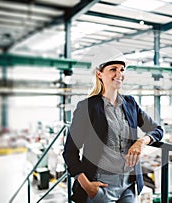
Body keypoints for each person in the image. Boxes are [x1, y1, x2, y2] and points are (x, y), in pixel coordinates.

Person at [63, 46, 163, 203]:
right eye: (113, 69)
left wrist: (142, 141)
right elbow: (70, 152)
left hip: (129, 185)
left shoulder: (130, 103)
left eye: (122, 70)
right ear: (99, 73)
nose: (119, 74)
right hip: (101, 185)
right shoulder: (87, 108)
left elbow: (157, 129)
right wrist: (87, 186)